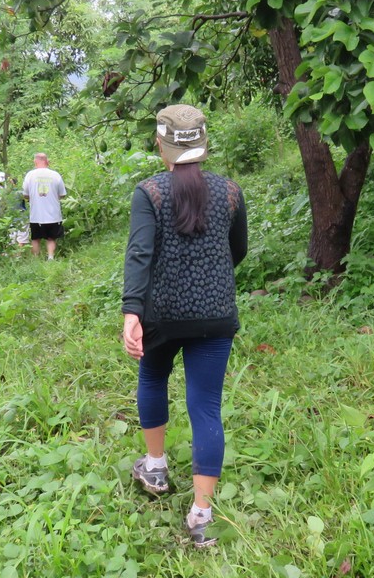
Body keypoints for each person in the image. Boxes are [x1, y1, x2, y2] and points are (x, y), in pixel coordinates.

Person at [121, 104, 248, 548]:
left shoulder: (149, 192)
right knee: (206, 407)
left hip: (162, 314)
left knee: (153, 377)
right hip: (216, 315)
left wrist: (132, 312)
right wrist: (208, 278)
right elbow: (237, 250)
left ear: (162, 145)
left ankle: (155, 467)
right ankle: (202, 516)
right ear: (204, 144)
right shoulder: (230, 192)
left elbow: (139, 254)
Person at [20, 153, 67, 260]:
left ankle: (36, 259)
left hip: (36, 214)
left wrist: (32, 198)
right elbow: (62, 194)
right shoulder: (55, 175)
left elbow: (25, 194)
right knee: (51, 238)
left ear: (35, 162)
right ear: (47, 162)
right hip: (53, 214)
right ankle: (50, 257)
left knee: (36, 238)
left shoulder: (30, 175)